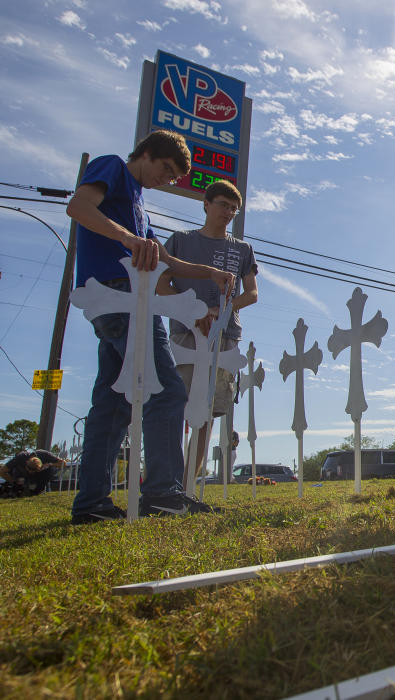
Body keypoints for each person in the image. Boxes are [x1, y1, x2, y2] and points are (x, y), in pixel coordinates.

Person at [66, 129, 235, 524]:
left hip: (129, 298)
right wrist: (128, 239)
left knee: (113, 403)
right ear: (145, 153)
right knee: (166, 390)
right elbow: (79, 207)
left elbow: (164, 262)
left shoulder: (138, 205)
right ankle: (162, 492)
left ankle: (92, 502)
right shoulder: (113, 168)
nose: (168, 179)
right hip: (121, 296)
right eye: (166, 169)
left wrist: (208, 272)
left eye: (175, 177)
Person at [162, 180, 258, 489]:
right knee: (176, 404)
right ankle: (166, 480)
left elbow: (252, 293)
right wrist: (192, 312)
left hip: (225, 336)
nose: (228, 212)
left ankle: (188, 482)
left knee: (207, 411)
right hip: (185, 335)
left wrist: (221, 311)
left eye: (233, 208)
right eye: (222, 205)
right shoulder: (180, 240)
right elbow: (161, 283)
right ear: (206, 204)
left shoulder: (241, 249)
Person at [0, 449, 65, 497]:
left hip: (40, 476)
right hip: (21, 475)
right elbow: (2, 471)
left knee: (50, 469)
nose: (30, 472)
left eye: (34, 470)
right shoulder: (20, 457)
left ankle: (37, 490)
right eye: (29, 469)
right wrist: (13, 481)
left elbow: (63, 463)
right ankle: (17, 489)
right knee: (16, 470)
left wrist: (50, 464)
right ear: (26, 462)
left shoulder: (45, 455)